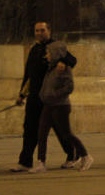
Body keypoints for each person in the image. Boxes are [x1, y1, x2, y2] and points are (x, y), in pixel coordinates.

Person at [11, 21, 79, 172]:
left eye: (42, 30)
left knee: (61, 130)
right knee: (29, 129)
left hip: (50, 97)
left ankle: (72, 155)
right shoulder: (34, 49)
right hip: (35, 96)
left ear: (49, 31)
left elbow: (72, 60)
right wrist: (22, 94)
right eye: (37, 31)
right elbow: (29, 75)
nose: (39, 33)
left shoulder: (55, 47)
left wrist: (62, 61)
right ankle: (25, 161)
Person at [29, 41, 92, 172]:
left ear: (55, 53)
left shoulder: (63, 68)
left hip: (60, 106)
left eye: (48, 53)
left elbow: (69, 87)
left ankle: (86, 156)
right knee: (42, 133)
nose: (46, 55)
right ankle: (41, 162)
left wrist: (53, 94)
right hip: (48, 105)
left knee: (67, 134)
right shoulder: (51, 67)